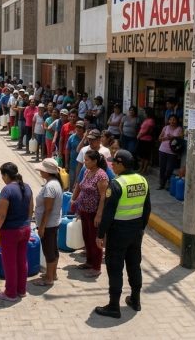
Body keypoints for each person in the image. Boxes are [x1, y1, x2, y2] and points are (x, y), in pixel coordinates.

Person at [94, 150, 151, 318]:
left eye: (115, 163)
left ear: (121, 164)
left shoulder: (117, 184)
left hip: (118, 233)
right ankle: (135, 300)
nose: (112, 165)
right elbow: (147, 209)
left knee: (115, 268)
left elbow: (108, 213)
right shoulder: (143, 180)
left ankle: (113, 306)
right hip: (135, 232)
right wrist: (141, 228)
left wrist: (100, 234)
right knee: (134, 265)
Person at [0, 162, 33, 302]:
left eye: (2, 176)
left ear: (6, 175)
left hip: (10, 232)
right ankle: (21, 290)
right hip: (25, 229)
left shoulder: (7, 190)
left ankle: (10, 293)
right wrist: (26, 225)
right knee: (22, 260)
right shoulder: (27, 187)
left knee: (10, 263)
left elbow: (1, 215)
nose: (2, 179)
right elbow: (30, 210)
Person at [71, 149, 109, 277]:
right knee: (86, 237)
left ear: (95, 161)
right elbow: (81, 188)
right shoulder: (87, 171)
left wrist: (99, 214)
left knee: (95, 240)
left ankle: (96, 267)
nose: (84, 162)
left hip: (94, 213)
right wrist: (76, 205)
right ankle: (89, 261)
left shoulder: (101, 175)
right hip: (84, 211)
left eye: (87, 160)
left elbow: (103, 197)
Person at [32, 158, 63, 287]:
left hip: (49, 224)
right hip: (54, 222)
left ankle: (49, 279)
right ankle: (53, 274)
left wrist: (42, 227)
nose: (40, 171)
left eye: (42, 170)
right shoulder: (54, 183)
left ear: (47, 172)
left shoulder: (50, 186)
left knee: (49, 251)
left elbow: (48, 209)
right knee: (53, 250)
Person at [157, 115, 183, 190]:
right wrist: (165, 138)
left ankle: (165, 181)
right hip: (163, 150)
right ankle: (162, 184)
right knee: (162, 168)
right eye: (170, 120)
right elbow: (159, 138)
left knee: (169, 169)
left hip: (172, 152)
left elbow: (181, 138)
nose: (172, 121)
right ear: (168, 121)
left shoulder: (179, 129)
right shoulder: (165, 127)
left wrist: (173, 137)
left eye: (174, 120)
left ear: (177, 121)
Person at [136, 109, 156, 175]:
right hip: (142, 139)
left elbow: (147, 131)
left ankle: (144, 169)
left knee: (146, 155)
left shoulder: (151, 121)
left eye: (145, 112)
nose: (144, 114)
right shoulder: (146, 120)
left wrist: (139, 135)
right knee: (142, 155)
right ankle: (141, 167)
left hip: (147, 140)